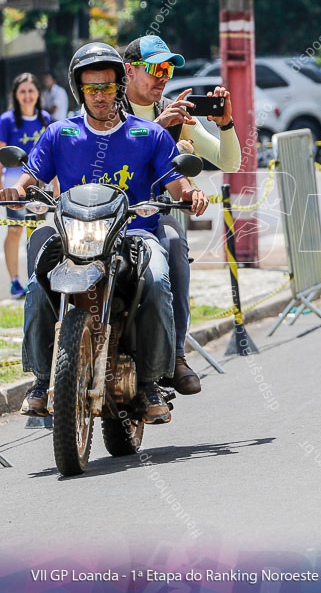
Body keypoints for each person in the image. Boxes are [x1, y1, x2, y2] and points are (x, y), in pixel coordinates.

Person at [5, 42, 209, 424]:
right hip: (75, 240)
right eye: (91, 88)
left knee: (158, 277)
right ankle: (40, 379)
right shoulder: (58, 134)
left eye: (107, 87)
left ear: (119, 87)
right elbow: (28, 180)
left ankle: (151, 381)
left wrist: (192, 193)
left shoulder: (150, 135)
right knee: (36, 284)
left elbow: (177, 183)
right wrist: (15, 191)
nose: (100, 96)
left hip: (136, 235)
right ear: (79, 90)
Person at [121, 35, 241, 395]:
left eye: (169, 69)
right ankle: (52, 372)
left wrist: (225, 124)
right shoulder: (108, 110)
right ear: (129, 71)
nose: (164, 76)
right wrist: (159, 128)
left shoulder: (179, 112)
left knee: (174, 245)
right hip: (102, 219)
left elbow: (229, 162)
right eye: (156, 68)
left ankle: (175, 356)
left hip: (155, 217)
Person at [0, 73, 50, 298]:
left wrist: (56, 187)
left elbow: (52, 154)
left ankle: (34, 281)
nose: (27, 96)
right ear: (16, 95)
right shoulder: (7, 120)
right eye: (23, 91)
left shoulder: (45, 118)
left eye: (31, 91)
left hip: (38, 189)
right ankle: (14, 283)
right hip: (13, 187)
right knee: (15, 230)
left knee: (35, 233)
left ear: (38, 93)